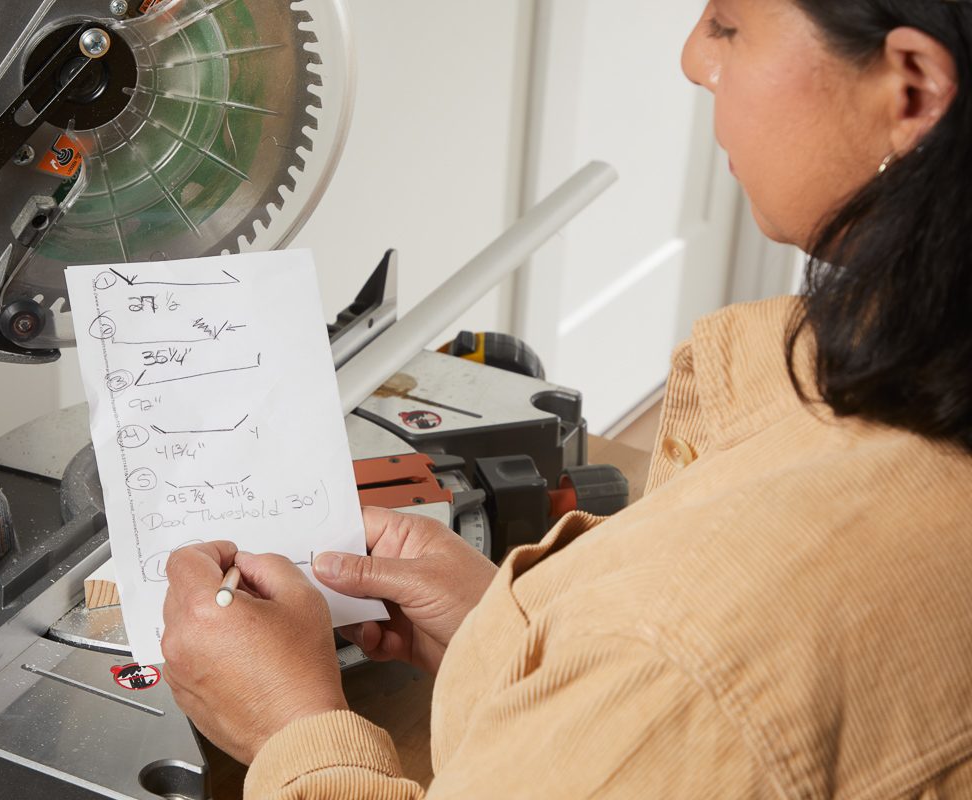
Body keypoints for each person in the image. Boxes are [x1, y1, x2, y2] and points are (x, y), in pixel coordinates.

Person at [160, 0, 972, 796]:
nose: (695, 59)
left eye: (730, 23)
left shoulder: (692, 660)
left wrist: (292, 731)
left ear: (910, 89)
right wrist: (511, 642)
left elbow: (702, 679)